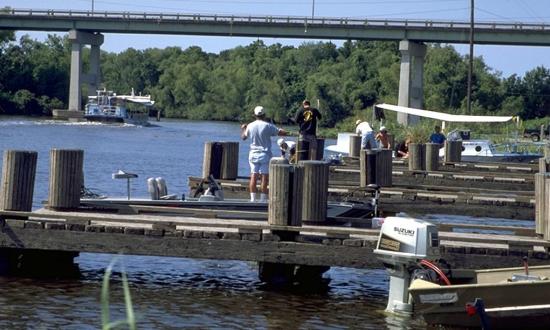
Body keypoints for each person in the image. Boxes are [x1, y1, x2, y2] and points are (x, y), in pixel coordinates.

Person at [241, 105, 286, 202]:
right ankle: (262, 200)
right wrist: (282, 130)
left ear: (254, 115)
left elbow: (243, 137)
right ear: (264, 115)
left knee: (254, 175)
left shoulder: (250, 125)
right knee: (265, 177)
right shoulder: (268, 126)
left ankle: (252, 200)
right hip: (265, 154)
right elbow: (281, 133)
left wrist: (244, 128)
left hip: (253, 154)